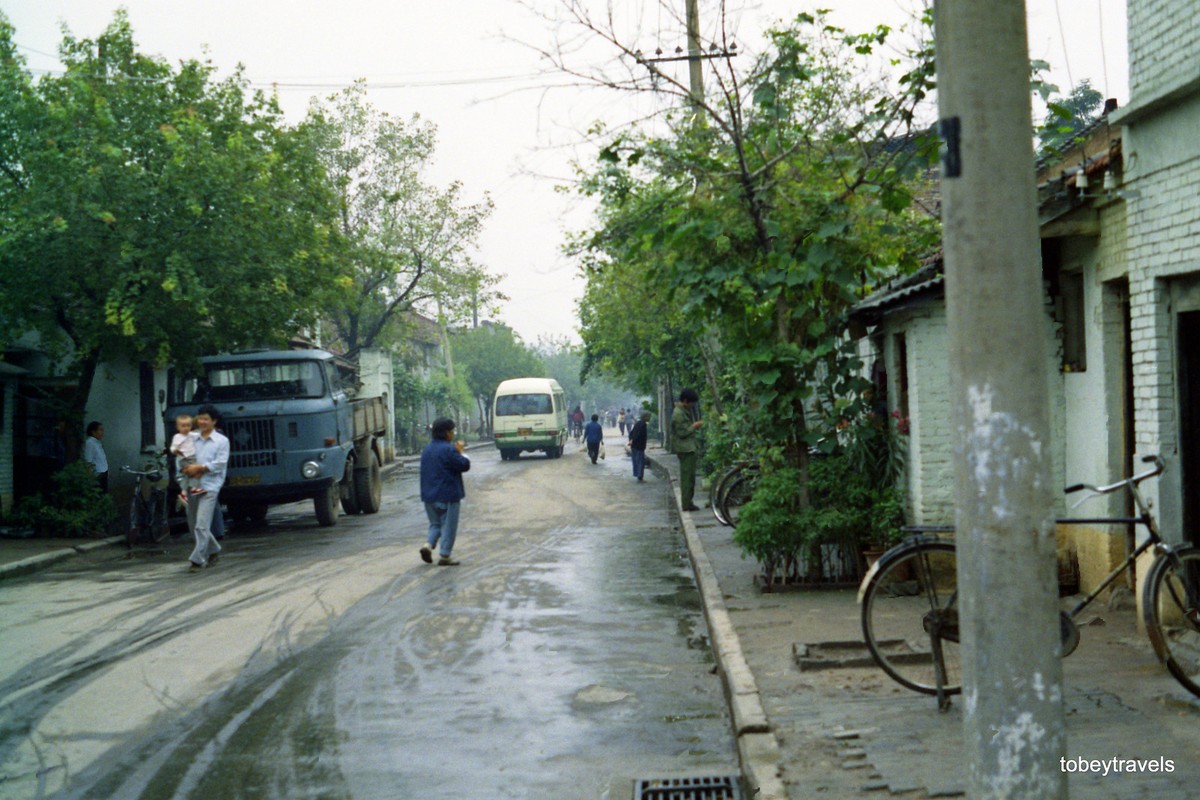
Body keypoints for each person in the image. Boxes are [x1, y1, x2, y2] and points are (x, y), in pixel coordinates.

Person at [181, 404, 228, 570]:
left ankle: (197, 559)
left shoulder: (221, 441)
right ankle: (214, 549)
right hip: (191, 485)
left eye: (206, 419)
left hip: (210, 487)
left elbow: (220, 464)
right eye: (200, 418)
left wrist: (200, 468)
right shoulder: (191, 438)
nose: (202, 422)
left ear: (213, 421)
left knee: (202, 524)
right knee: (194, 525)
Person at [419, 417, 471, 566]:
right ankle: (445, 555)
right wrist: (461, 452)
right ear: (446, 433)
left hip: (428, 495)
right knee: (449, 526)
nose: (453, 434)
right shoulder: (448, 449)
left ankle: (428, 545)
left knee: (435, 524)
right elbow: (464, 465)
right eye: (452, 431)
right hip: (448, 495)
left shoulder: (427, 449)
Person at [670, 389, 703, 510]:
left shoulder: (683, 411)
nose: (692, 405)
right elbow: (682, 433)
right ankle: (686, 503)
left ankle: (688, 502)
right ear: (685, 401)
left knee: (690, 477)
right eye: (691, 403)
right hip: (685, 448)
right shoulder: (678, 414)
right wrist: (694, 426)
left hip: (689, 447)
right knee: (687, 478)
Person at [170, 413, 199, 507]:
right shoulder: (178, 437)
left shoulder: (192, 435)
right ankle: (193, 488)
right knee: (194, 472)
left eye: (188, 425)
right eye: (183, 426)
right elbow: (173, 448)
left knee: (188, 476)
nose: (186, 428)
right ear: (178, 427)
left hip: (193, 457)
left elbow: (201, 435)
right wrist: (176, 450)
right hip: (184, 458)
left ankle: (184, 493)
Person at [82, 421, 109, 492]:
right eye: (100, 430)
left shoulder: (97, 442)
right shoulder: (90, 443)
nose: (102, 433)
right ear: (93, 432)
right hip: (97, 475)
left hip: (103, 473)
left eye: (102, 430)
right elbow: (88, 460)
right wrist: (90, 478)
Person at [628, 411, 651, 482]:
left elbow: (631, 433)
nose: (649, 418)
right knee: (640, 461)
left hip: (634, 445)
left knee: (635, 461)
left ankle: (637, 474)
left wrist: (631, 440)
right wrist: (633, 440)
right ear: (646, 417)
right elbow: (639, 435)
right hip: (639, 445)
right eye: (649, 416)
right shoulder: (643, 425)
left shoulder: (637, 423)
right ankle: (640, 476)